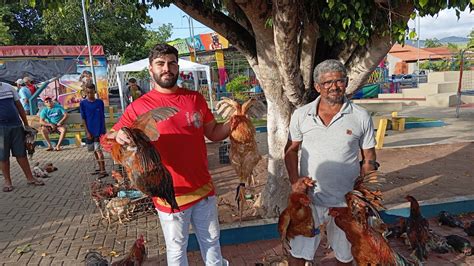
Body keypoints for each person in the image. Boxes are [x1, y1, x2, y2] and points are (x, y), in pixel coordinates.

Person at [106, 44, 230, 265]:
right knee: (176, 251)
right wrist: (117, 137)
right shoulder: (139, 107)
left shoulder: (195, 99)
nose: (167, 68)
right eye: (160, 64)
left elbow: (213, 132)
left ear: (178, 67)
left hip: (203, 189)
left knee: (212, 244)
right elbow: (109, 138)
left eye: (172, 63)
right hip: (169, 194)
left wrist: (235, 122)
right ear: (150, 68)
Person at [284, 59, 377, 265]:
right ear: (318, 86)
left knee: (345, 256)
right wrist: (295, 181)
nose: (334, 86)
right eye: (327, 83)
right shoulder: (301, 115)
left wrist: (364, 193)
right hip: (309, 199)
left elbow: (369, 158)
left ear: (346, 82)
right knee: (297, 254)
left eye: (339, 81)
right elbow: (290, 151)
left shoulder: (360, 116)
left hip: (345, 201)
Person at [0, 82, 45, 192]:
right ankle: (7, 182)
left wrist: (25, 123)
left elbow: (19, 105)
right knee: (3, 156)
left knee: (21, 153)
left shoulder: (9, 87)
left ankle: (30, 178)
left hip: (16, 125)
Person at [80, 83, 107, 178]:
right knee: (94, 150)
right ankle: (100, 167)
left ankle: (103, 170)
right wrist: (87, 132)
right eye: (88, 93)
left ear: (95, 92)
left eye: (92, 92)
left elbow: (102, 116)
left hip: (99, 130)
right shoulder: (83, 103)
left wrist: (104, 129)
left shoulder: (99, 102)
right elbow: (83, 118)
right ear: (85, 92)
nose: (90, 94)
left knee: (98, 149)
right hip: (89, 130)